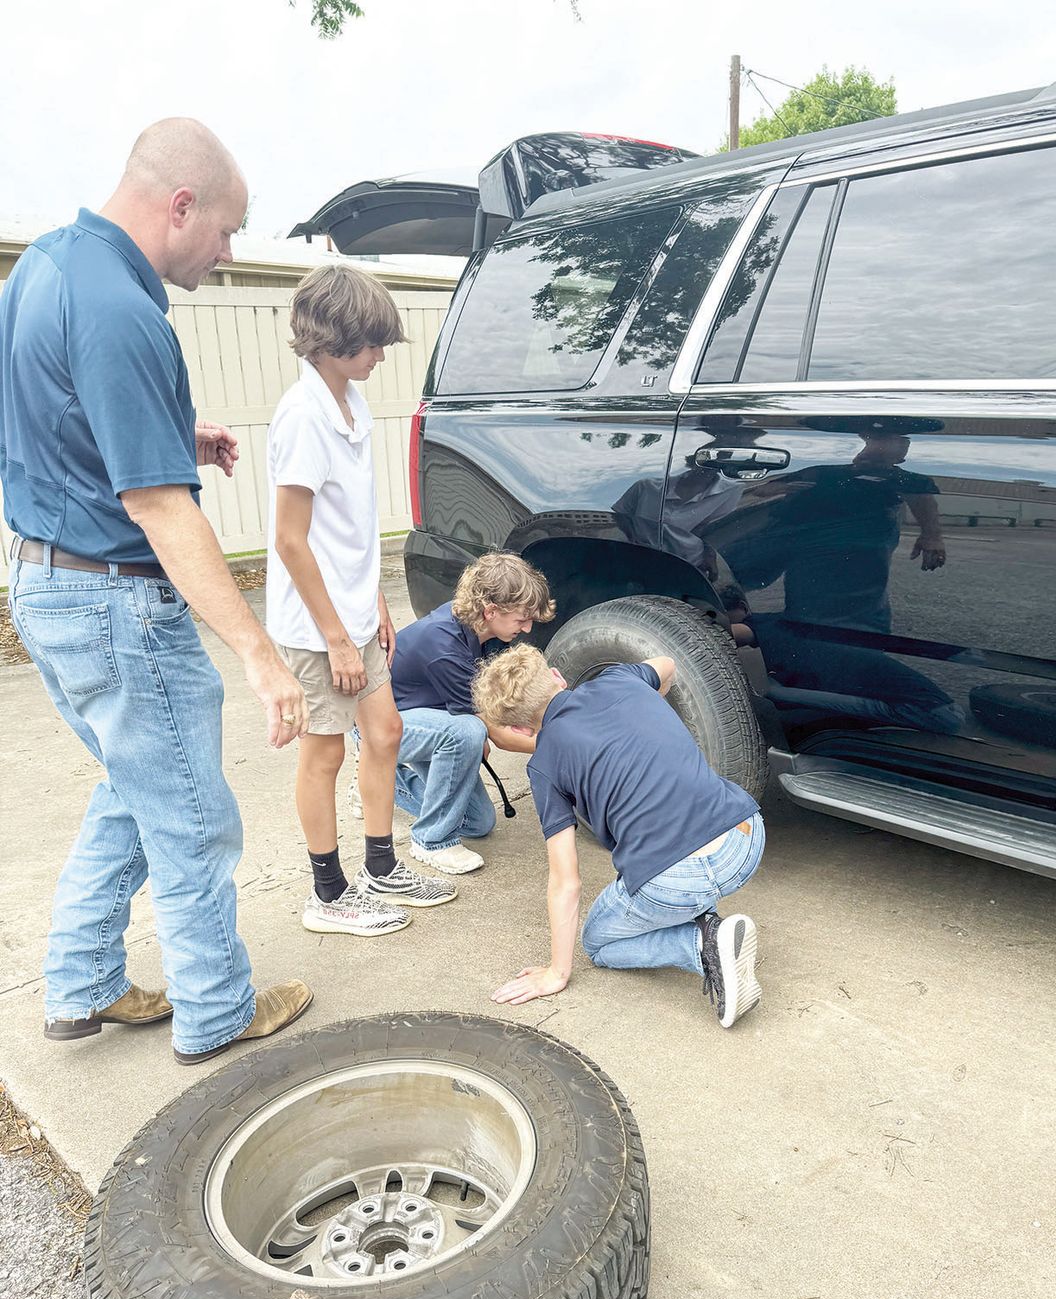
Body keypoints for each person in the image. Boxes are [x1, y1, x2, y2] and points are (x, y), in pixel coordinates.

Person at [0, 118, 312, 1065]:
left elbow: (57, 419)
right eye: (226, 230)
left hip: (44, 580)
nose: (228, 253)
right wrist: (260, 655)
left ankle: (82, 982)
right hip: (115, 601)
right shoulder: (119, 310)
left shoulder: (45, 269)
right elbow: (161, 511)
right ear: (181, 205)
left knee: (134, 788)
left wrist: (177, 431)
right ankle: (217, 1010)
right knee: (189, 812)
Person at [266, 265, 455, 934]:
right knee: (324, 752)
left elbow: (346, 524)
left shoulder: (352, 401)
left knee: (386, 732)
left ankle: (382, 866)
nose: (380, 355)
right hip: (315, 625)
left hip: (352, 613)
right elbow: (291, 543)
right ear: (336, 337)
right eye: (373, 342)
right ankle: (328, 893)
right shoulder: (302, 416)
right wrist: (336, 637)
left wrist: (372, 598)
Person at [473, 644, 765, 1028]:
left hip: (673, 878)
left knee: (599, 943)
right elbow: (667, 664)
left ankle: (702, 943)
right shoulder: (621, 679)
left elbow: (566, 881)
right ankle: (700, 913)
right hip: (745, 838)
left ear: (522, 729)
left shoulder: (544, 765)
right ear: (557, 676)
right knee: (673, 869)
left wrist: (556, 973)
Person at [387, 553, 555, 874]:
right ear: (490, 610)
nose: (528, 627)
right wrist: (564, 743)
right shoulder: (443, 646)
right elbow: (495, 731)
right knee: (469, 733)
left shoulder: (478, 630)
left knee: (478, 821)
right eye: (522, 618)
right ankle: (431, 840)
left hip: (424, 718)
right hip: (379, 724)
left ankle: (381, 779)